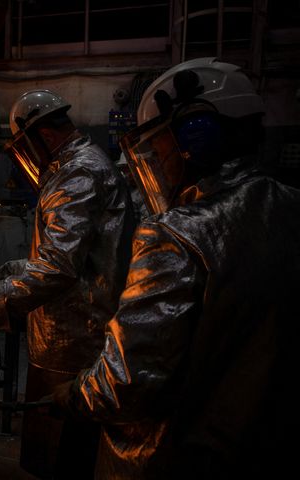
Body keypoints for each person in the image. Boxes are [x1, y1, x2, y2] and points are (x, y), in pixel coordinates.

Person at [49, 57, 300, 478]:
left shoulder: (175, 236)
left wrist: (71, 395)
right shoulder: (292, 207)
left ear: (196, 136)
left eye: (158, 146)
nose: (157, 162)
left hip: (175, 459)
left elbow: (125, 384)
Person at [0, 89, 137, 479]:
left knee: (65, 457)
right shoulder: (83, 165)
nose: (27, 160)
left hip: (73, 344)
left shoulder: (77, 173)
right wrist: (6, 273)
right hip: (71, 332)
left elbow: (56, 270)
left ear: (45, 137)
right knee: (58, 450)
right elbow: (74, 259)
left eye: (25, 148)